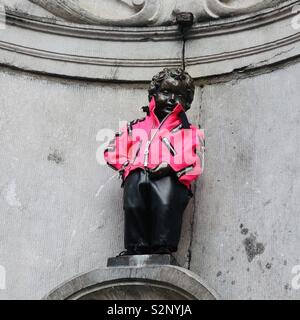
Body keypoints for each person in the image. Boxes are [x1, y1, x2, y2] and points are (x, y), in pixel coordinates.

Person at [104, 68, 205, 255]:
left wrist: (171, 166)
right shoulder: (134, 127)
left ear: (187, 102)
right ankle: (136, 245)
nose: (172, 100)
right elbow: (112, 151)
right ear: (153, 94)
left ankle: (162, 244)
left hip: (169, 181)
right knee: (134, 195)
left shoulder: (189, 132)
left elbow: (195, 161)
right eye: (166, 92)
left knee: (165, 202)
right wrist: (129, 167)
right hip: (138, 176)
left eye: (179, 96)